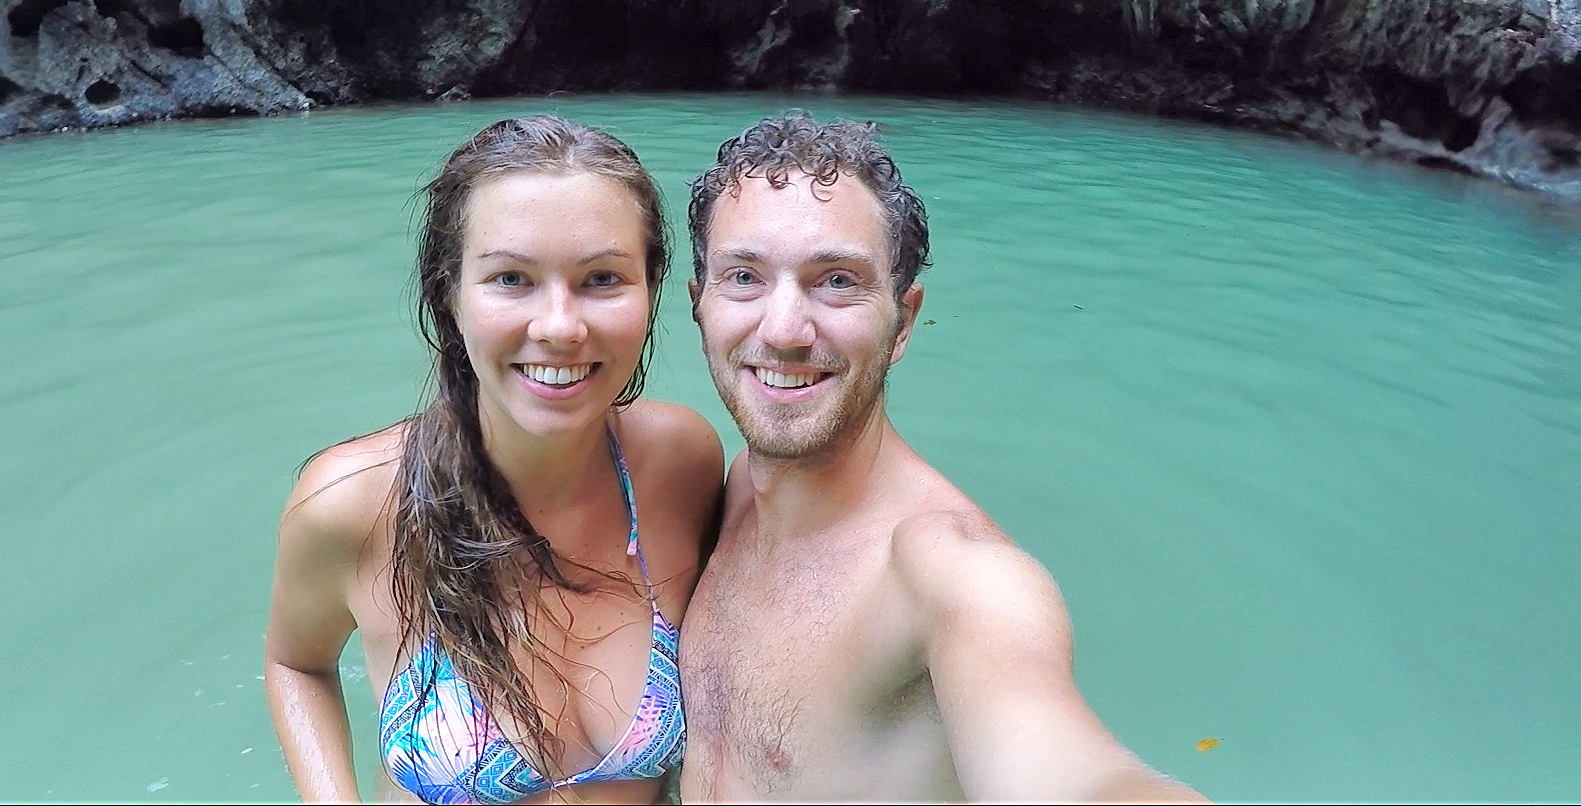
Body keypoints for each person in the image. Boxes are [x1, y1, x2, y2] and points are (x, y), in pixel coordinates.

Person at [677, 113, 1206, 803]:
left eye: (836, 280)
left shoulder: (951, 573)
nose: (783, 330)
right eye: (744, 275)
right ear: (700, 303)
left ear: (903, 321)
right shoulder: (735, 489)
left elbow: (1079, 775)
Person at [264, 115, 724, 804]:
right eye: (511, 278)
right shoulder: (354, 503)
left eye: (602, 278)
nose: (561, 326)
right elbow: (294, 661)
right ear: (449, 294)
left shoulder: (682, 462)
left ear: (654, 288)